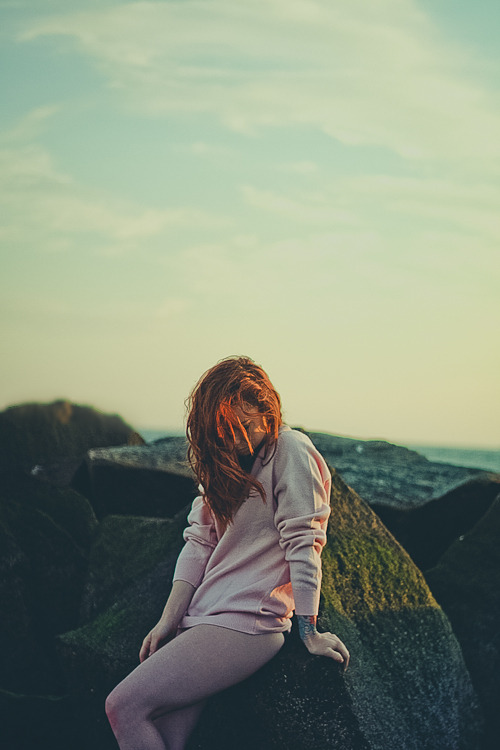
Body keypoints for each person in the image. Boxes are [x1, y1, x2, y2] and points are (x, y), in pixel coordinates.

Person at [105, 356, 350, 750]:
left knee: (122, 707)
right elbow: (199, 541)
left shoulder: (290, 448)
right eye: (224, 430)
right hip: (204, 617)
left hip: (247, 622)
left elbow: (304, 544)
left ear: (266, 409)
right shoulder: (225, 464)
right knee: (162, 734)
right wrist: (169, 620)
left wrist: (309, 631)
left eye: (243, 426)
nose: (235, 439)